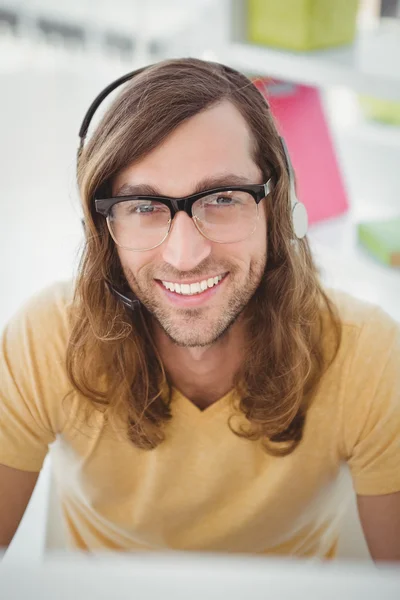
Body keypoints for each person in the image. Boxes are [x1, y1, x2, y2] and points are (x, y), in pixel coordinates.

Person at [0, 58, 399, 561]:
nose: (185, 256)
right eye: (144, 207)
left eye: (223, 198)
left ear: (275, 211)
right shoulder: (45, 339)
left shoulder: (369, 354)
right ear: (103, 230)